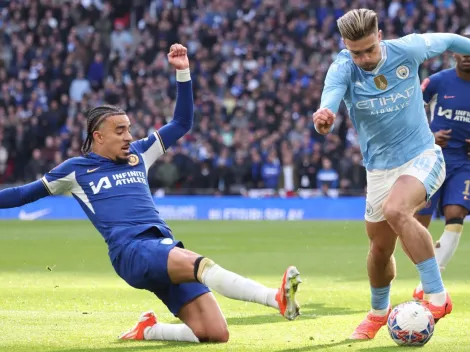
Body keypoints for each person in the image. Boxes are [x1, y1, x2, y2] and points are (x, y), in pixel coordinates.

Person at [0, 44, 302, 343]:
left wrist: (183, 72)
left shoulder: (139, 153)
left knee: (214, 333)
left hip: (161, 243)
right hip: (131, 251)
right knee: (200, 265)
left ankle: (150, 330)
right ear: (98, 136)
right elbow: (24, 194)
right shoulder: (76, 170)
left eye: (129, 129)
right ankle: (275, 299)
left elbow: (182, 123)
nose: (129, 136)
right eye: (120, 131)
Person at [313, 8, 470, 340]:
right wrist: (325, 114)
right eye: (357, 52)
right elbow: (331, 95)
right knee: (379, 248)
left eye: (370, 49)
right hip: (380, 170)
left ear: (380, 36)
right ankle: (377, 313)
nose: (366, 58)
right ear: (345, 44)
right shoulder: (343, 66)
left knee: (396, 210)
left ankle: (438, 297)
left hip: (423, 156)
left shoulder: (408, 48)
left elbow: (451, 40)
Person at [413, 38, 470, 300]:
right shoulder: (437, 81)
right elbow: (410, 109)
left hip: (465, 163)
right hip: (433, 158)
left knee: (456, 213)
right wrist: (429, 135)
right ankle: (426, 276)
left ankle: (430, 281)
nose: (468, 56)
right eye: (463, 51)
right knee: (417, 222)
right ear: (454, 55)